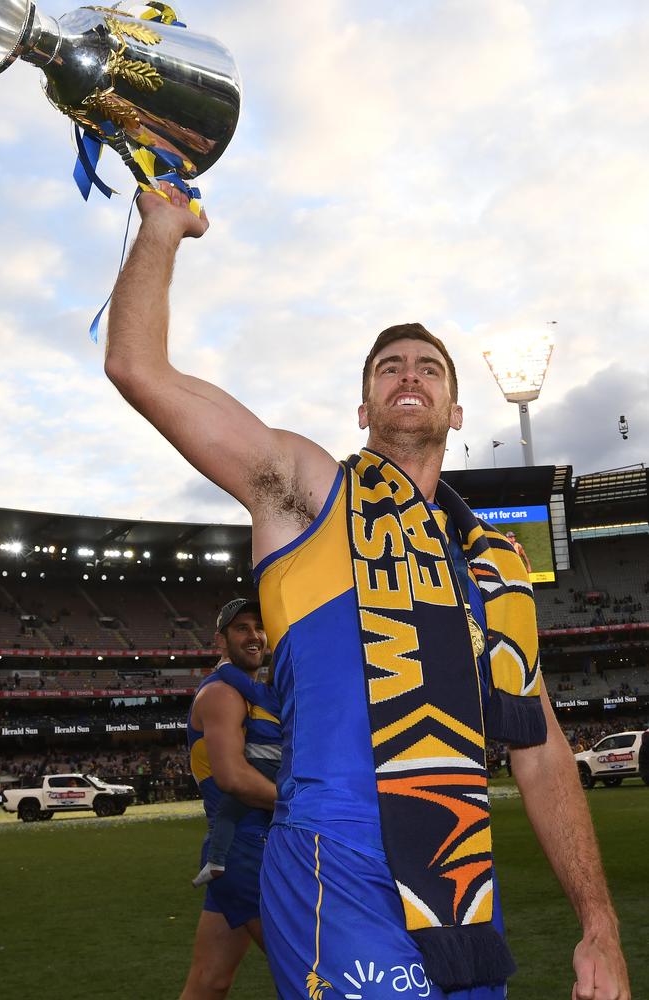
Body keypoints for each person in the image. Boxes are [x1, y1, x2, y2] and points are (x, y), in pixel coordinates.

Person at [105, 184, 630, 1000]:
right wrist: (162, 229)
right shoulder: (310, 492)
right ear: (364, 406)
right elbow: (137, 368)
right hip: (333, 861)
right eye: (389, 367)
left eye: (428, 368)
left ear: (456, 410)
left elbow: (543, 750)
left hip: (459, 890)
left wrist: (599, 923)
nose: (408, 375)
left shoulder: (498, 567)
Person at [181, 597, 276, 1000]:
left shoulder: (253, 692)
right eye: (241, 628)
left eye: (258, 626)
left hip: (239, 850)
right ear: (221, 639)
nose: (253, 635)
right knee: (311, 968)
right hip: (244, 851)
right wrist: (304, 805)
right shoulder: (222, 694)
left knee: (209, 981)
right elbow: (234, 779)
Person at [193, 656, 281, 887]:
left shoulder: (263, 694)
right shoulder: (296, 703)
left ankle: (216, 861)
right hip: (283, 767)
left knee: (227, 813)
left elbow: (237, 680)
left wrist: (223, 665)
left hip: (259, 762)